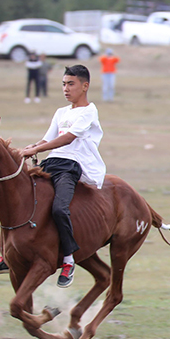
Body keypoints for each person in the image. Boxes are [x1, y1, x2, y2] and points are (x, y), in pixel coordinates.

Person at [17, 65, 106, 288]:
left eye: (71, 84)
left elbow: (68, 138)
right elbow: (46, 140)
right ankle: (6, 253)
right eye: (64, 84)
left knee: (58, 209)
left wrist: (35, 150)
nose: (66, 89)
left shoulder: (89, 111)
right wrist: (27, 148)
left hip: (71, 166)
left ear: (85, 86)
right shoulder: (61, 112)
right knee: (15, 196)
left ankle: (68, 260)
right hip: (51, 163)